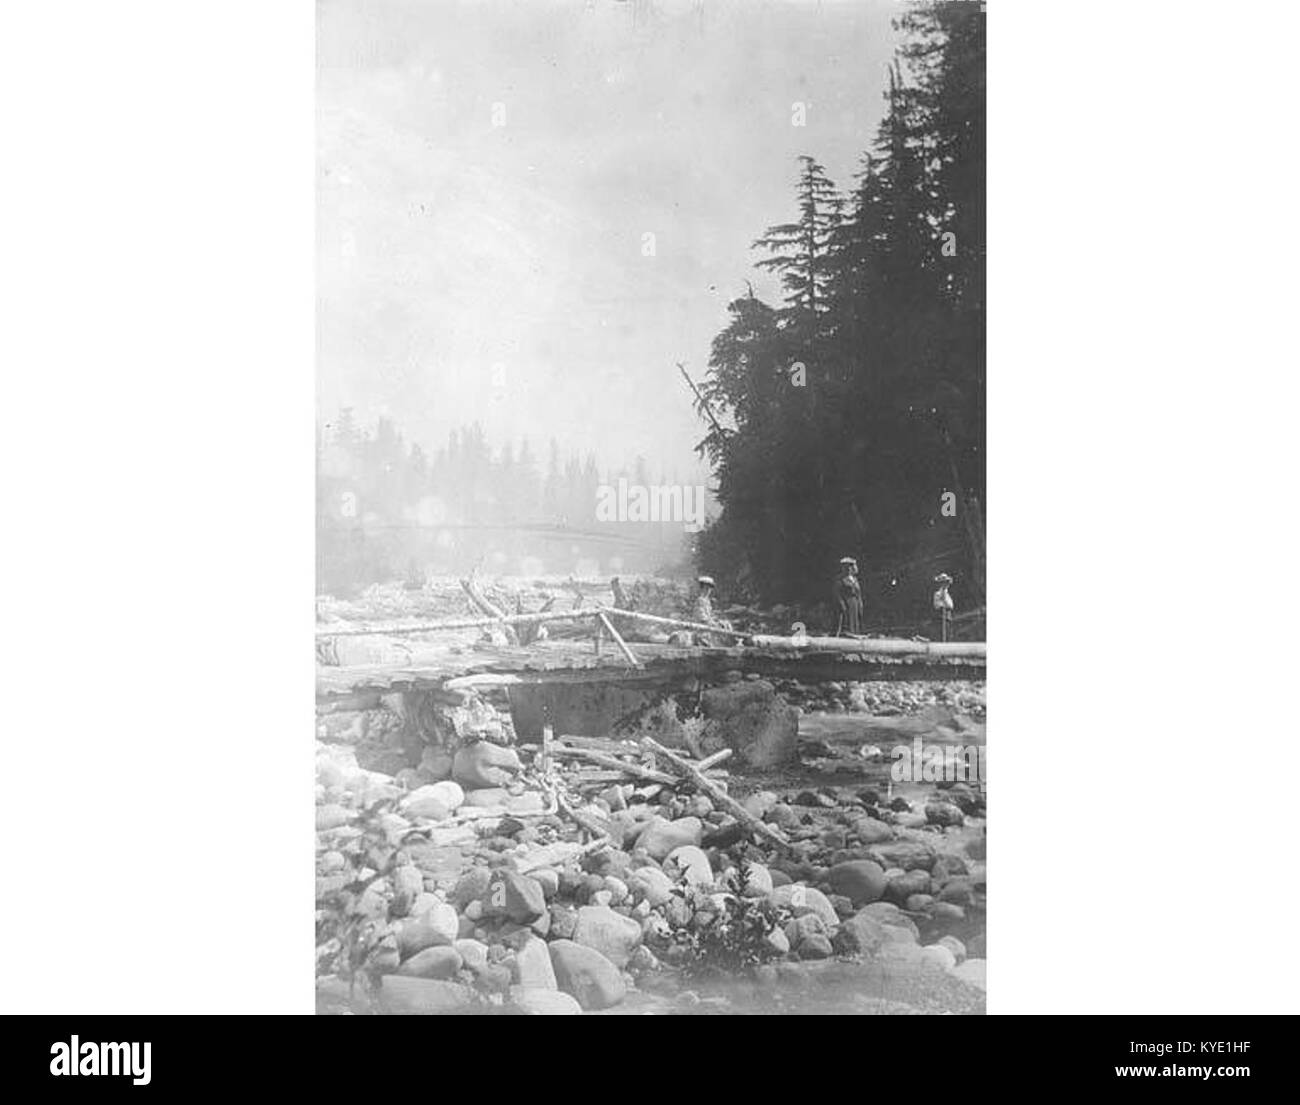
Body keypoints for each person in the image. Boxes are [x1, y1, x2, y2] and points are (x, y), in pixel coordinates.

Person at [834, 557, 862, 636]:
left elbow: (858, 592)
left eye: (851, 566)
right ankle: (846, 634)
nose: (849, 569)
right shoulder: (840, 578)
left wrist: (860, 603)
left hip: (854, 602)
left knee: (855, 619)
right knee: (847, 619)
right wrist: (842, 604)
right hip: (847, 601)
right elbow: (837, 593)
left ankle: (855, 633)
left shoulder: (854, 579)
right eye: (847, 567)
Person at [933, 572, 954, 641]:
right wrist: (943, 602)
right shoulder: (938, 594)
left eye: (947, 583)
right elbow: (937, 606)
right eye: (944, 583)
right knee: (941, 636)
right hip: (941, 617)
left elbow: (951, 605)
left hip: (948, 617)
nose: (946, 584)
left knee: (948, 635)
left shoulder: (947, 594)